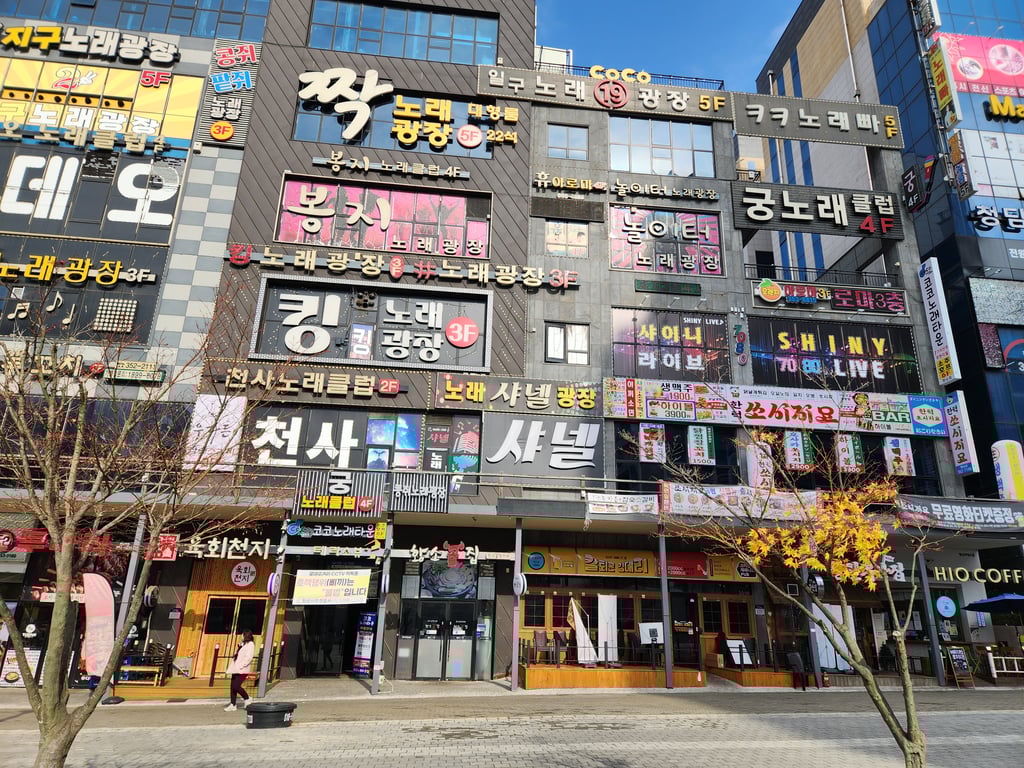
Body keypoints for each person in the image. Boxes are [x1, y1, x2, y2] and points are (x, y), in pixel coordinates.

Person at [223, 631, 255, 711]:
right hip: (235, 668)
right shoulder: (243, 644)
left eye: (242, 635)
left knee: (236, 686)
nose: (241, 636)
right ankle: (233, 704)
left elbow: (248, 657)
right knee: (232, 687)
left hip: (242, 669)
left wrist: (241, 666)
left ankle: (247, 698)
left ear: (246, 635)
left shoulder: (250, 644)